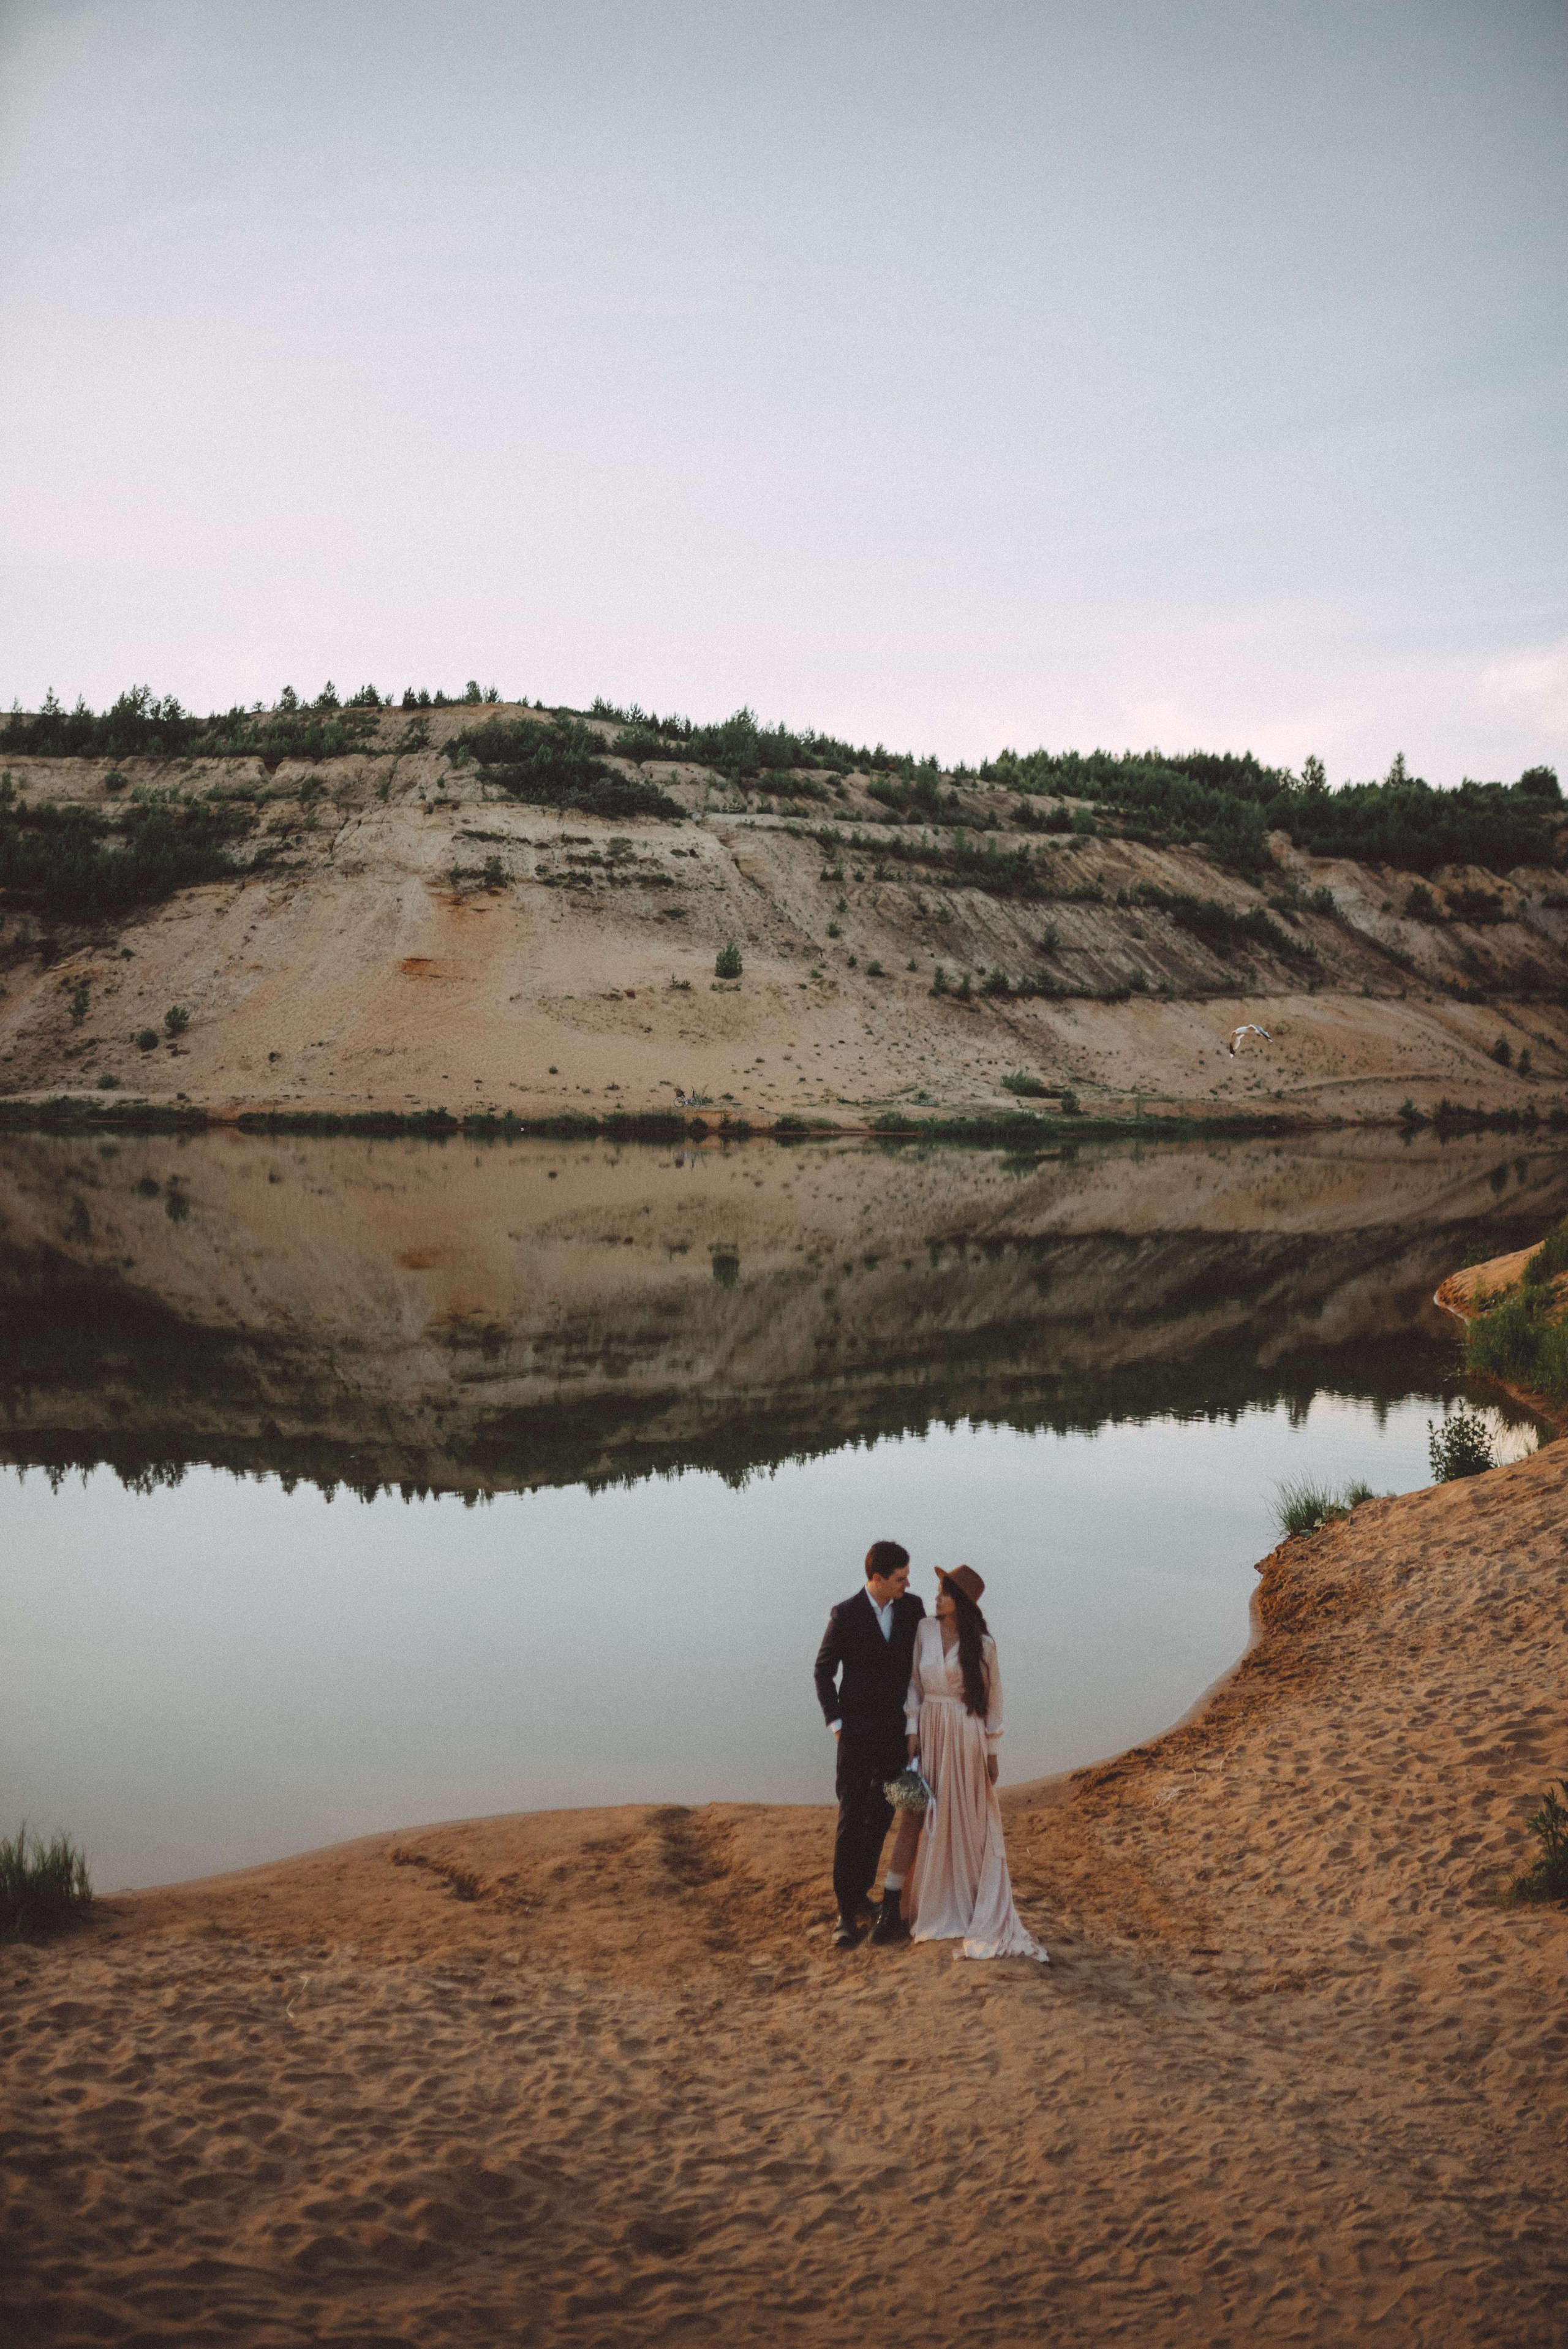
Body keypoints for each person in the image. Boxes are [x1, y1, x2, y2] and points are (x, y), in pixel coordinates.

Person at [884, 1564, 1047, 1962]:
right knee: (920, 1815)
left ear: (961, 1602)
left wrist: (992, 1752)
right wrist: (911, 1729)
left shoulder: (984, 1645)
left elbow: (993, 1702)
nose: (936, 1597)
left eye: (943, 1592)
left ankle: (965, 1901)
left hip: (966, 1734)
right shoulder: (924, 1630)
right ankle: (903, 1907)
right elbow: (914, 1685)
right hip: (931, 1729)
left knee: (966, 1819)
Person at [813, 1540, 925, 1949]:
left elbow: (921, 1666)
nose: (907, 1583)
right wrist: (837, 1724)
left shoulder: (912, 1609)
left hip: (896, 1738)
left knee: (881, 1817)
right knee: (850, 1820)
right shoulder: (845, 1615)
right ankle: (846, 1910)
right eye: (900, 1577)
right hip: (856, 1738)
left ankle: (863, 1896)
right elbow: (823, 1672)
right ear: (877, 1579)